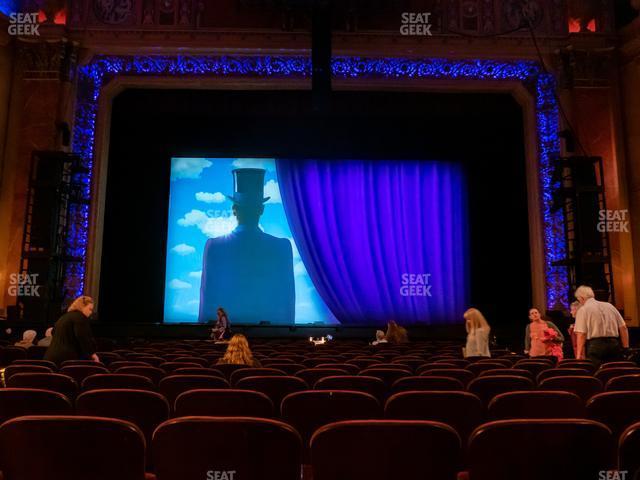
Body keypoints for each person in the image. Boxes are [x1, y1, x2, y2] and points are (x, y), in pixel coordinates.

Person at [199, 168, 295, 325]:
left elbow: (207, 301)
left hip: (226, 335)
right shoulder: (282, 247)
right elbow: (287, 302)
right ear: (261, 209)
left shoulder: (214, 246)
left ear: (234, 209)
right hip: (271, 337)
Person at [573, 285, 629, 367]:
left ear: (582, 298)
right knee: (614, 371)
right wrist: (625, 348)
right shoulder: (610, 306)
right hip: (614, 344)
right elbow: (623, 327)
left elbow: (581, 334)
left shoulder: (583, 310)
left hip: (595, 346)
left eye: (579, 300)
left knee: (597, 373)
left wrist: (578, 356)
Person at [44, 296, 99, 365]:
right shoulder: (80, 317)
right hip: (66, 359)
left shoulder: (64, 317)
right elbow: (83, 337)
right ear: (82, 306)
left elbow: (53, 332)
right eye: (90, 309)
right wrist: (92, 354)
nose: (91, 312)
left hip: (50, 357)